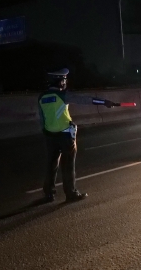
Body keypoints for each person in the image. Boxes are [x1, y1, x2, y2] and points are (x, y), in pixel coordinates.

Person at [38, 68, 114, 203]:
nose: (65, 82)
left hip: (50, 136)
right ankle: (71, 193)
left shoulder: (42, 97)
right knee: (68, 165)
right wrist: (104, 102)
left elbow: (42, 118)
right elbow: (85, 100)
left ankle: (49, 193)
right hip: (65, 135)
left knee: (51, 164)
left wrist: (46, 132)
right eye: (64, 80)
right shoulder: (63, 95)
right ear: (60, 81)